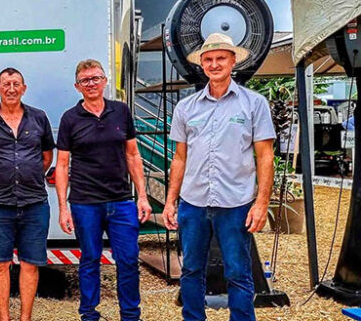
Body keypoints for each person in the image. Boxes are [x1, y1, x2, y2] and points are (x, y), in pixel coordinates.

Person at [162, 33, 276, 321]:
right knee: (191, 271)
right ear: (201, 64)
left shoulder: (254, 104)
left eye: (220, 58)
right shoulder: (186, 108)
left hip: (235, 203)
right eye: (209, 59)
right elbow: (180, 158)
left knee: (238, 272)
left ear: (233, 60)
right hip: (194, 203)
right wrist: (170, 201)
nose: (214, 64)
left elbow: (265, 156)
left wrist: (261, 203)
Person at [54, 60, 151, 321]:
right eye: (85, 80)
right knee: (90, 260)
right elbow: (62, 165)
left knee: (129, 260)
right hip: (85, 203)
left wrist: (141, 196)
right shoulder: (70, 119)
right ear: (77, 86)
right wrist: (63, 207)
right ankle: (89, 314)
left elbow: (133, 155)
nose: (91, 84)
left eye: (96, 78)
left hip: (121, 201)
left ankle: (130, 315)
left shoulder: (121, 112)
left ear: (105, 80)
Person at [0, 68, 55, 321]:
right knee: (0, 263)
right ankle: (4, 318)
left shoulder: (39, 118)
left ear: (24, 88)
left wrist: (26, 178)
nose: (11, 88)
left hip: (35, 203)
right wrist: (0, 182)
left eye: (16, 83)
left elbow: (47, 158)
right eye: (5, 84)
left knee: (30, 264)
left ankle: (25, 318)